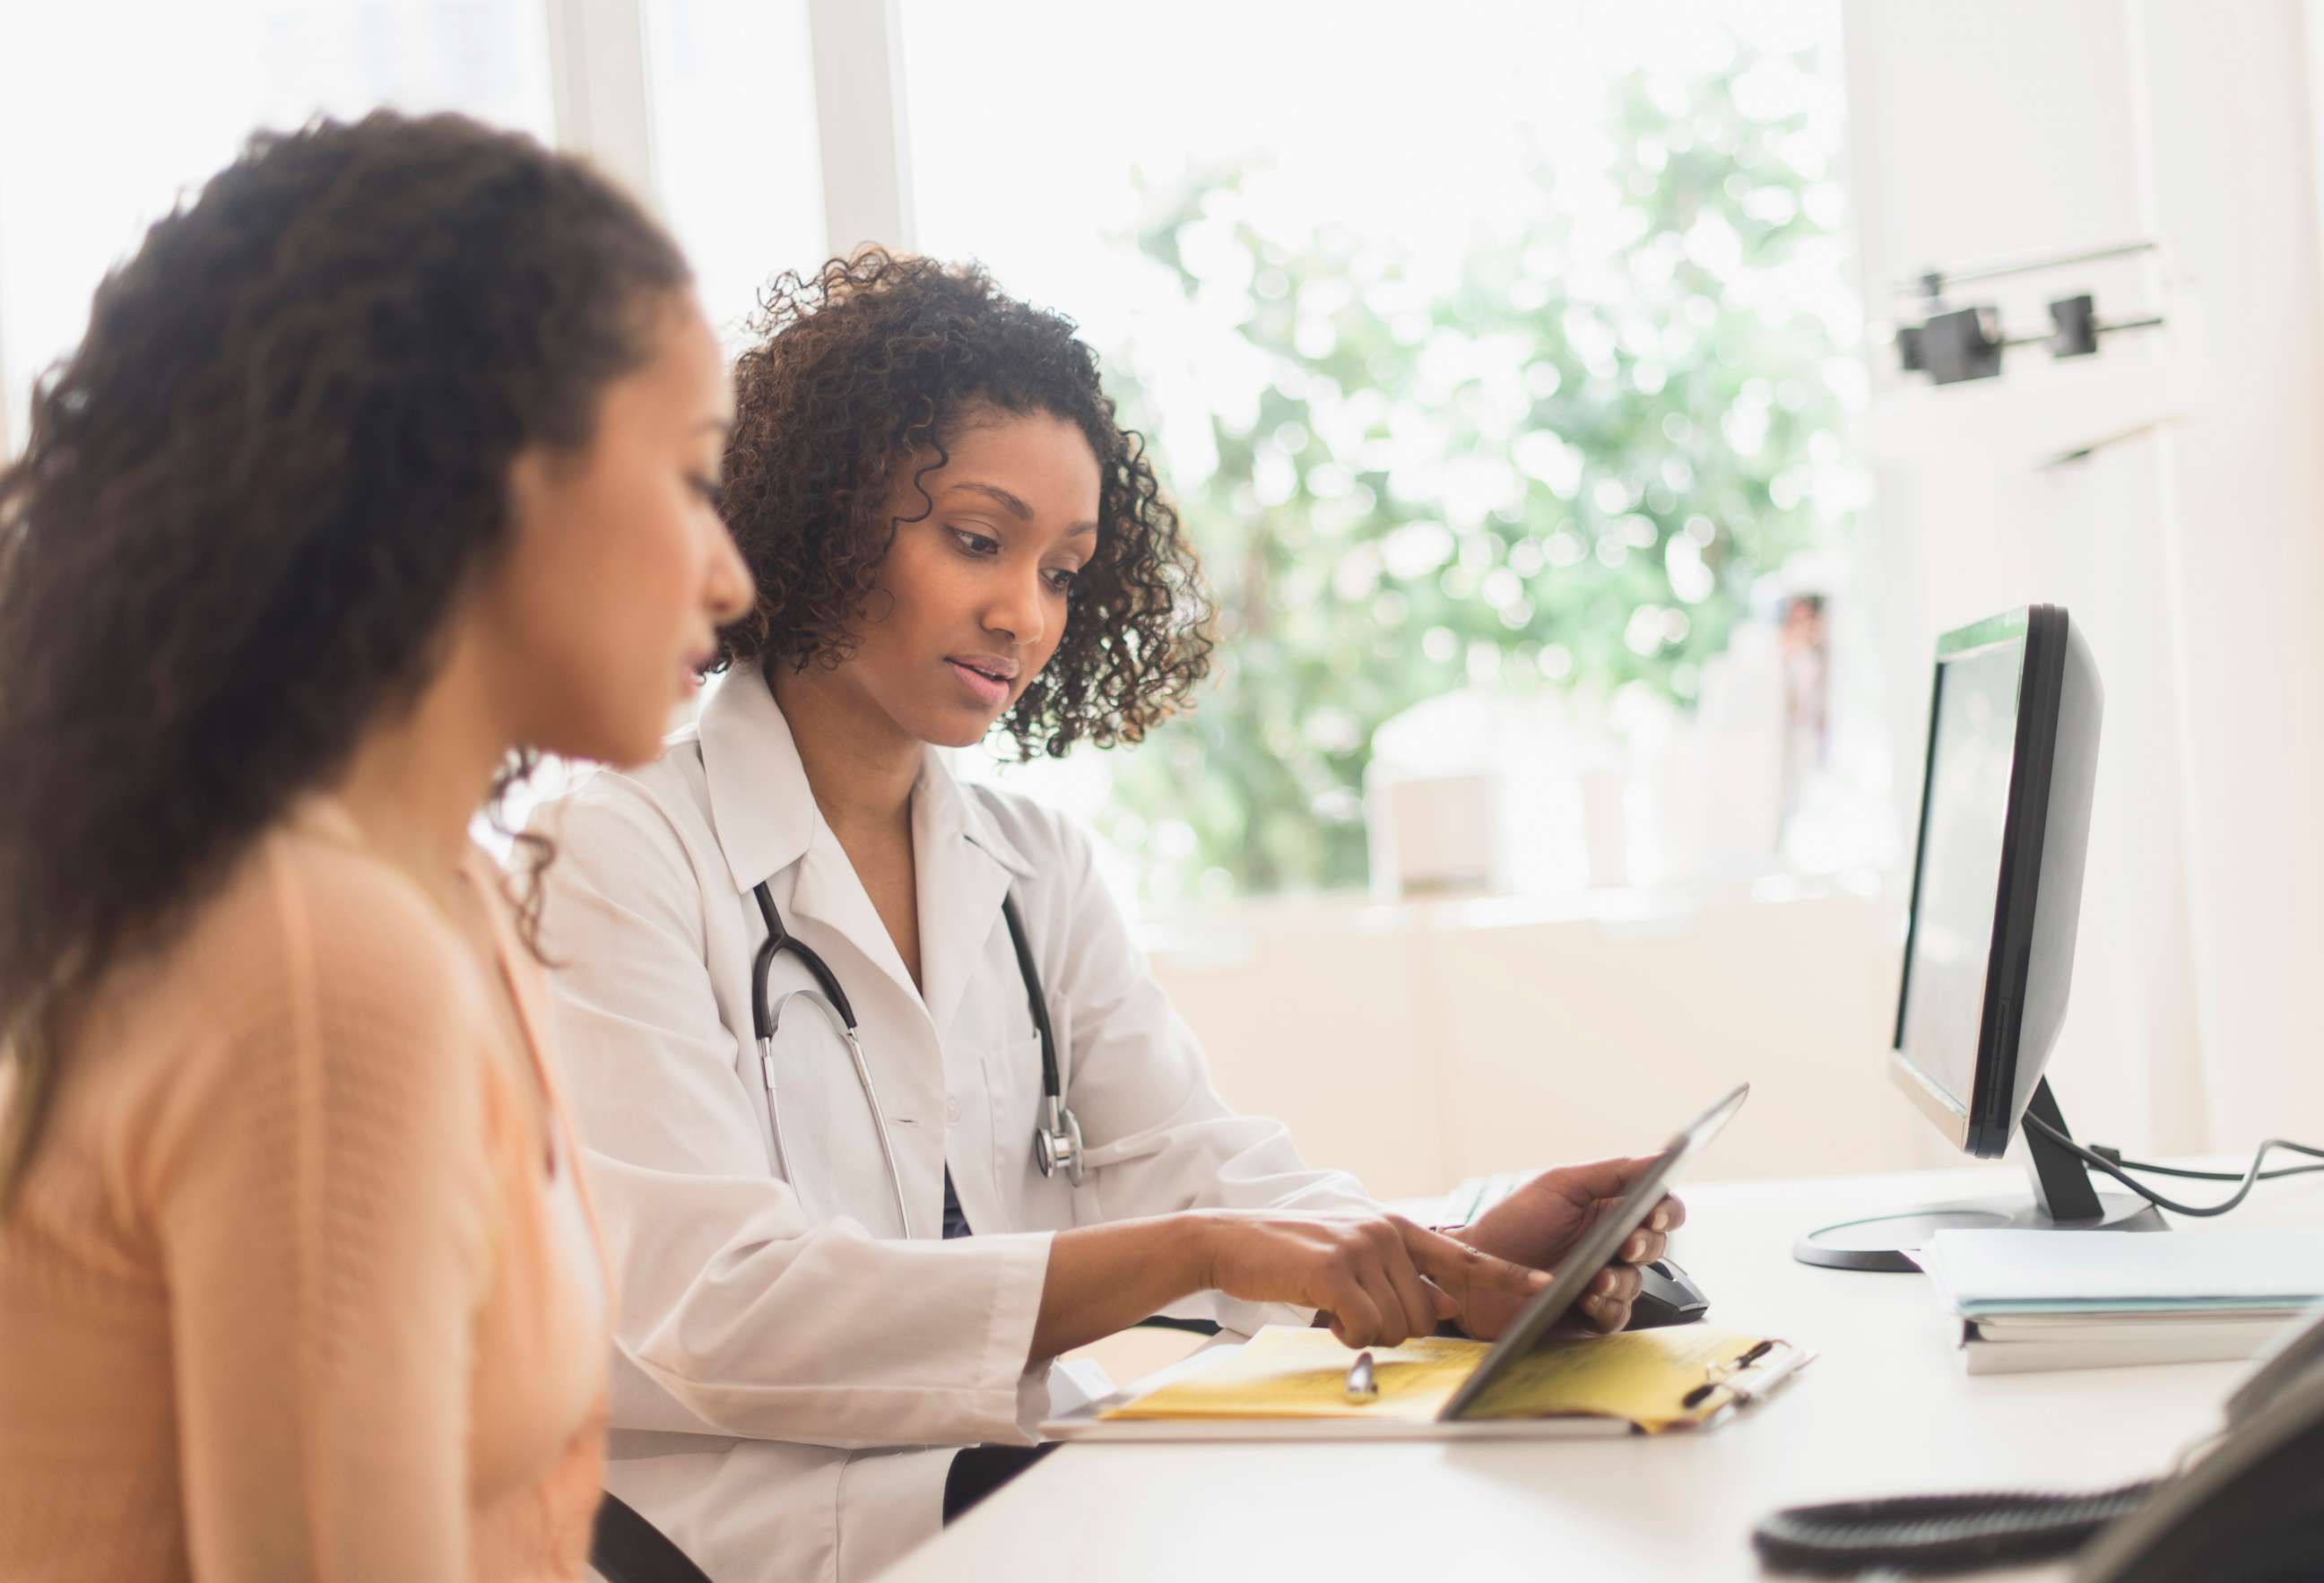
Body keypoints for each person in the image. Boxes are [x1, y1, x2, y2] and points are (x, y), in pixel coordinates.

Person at [533, 249, 1684, 1582]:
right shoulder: (618, 851)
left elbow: (1196, 1166)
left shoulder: (1032, 866)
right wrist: (1194, 1253)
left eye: (1066, 570)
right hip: (743, 1532)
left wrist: (1453, 1253)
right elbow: (720, 1310)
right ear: (829, 508)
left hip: (1018, 1487)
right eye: (976, 539)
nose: (1024, 614)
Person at [0, 112, 751, 1579]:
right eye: (692, 476)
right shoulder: (317, 961)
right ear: (489, 469)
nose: (727, 572)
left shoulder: (451, 895)